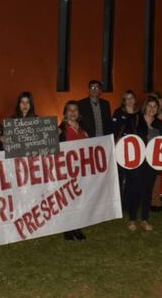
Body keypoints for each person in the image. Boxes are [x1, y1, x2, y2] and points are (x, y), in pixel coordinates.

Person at [123, 96, 162, 232]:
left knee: (148, 190)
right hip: (138, 161)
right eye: (150, 106)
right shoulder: (135, 120)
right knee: (136, 189)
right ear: (145, 107)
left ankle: (145, 219)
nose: (152, 109)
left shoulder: (159, 124)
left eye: (155, 106)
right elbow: (128, 139)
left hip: (152, 162)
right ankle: (132, 219)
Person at [58, 101, 87, 240]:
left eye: (75, 110)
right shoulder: (60, 130)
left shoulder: (83, 129)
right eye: (69, 110)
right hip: (66, 169)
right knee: (68, 199)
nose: (73, 113)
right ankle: (67, 229)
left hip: (81, 169)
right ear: (65, 113)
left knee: (79, 198)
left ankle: (77, 227)